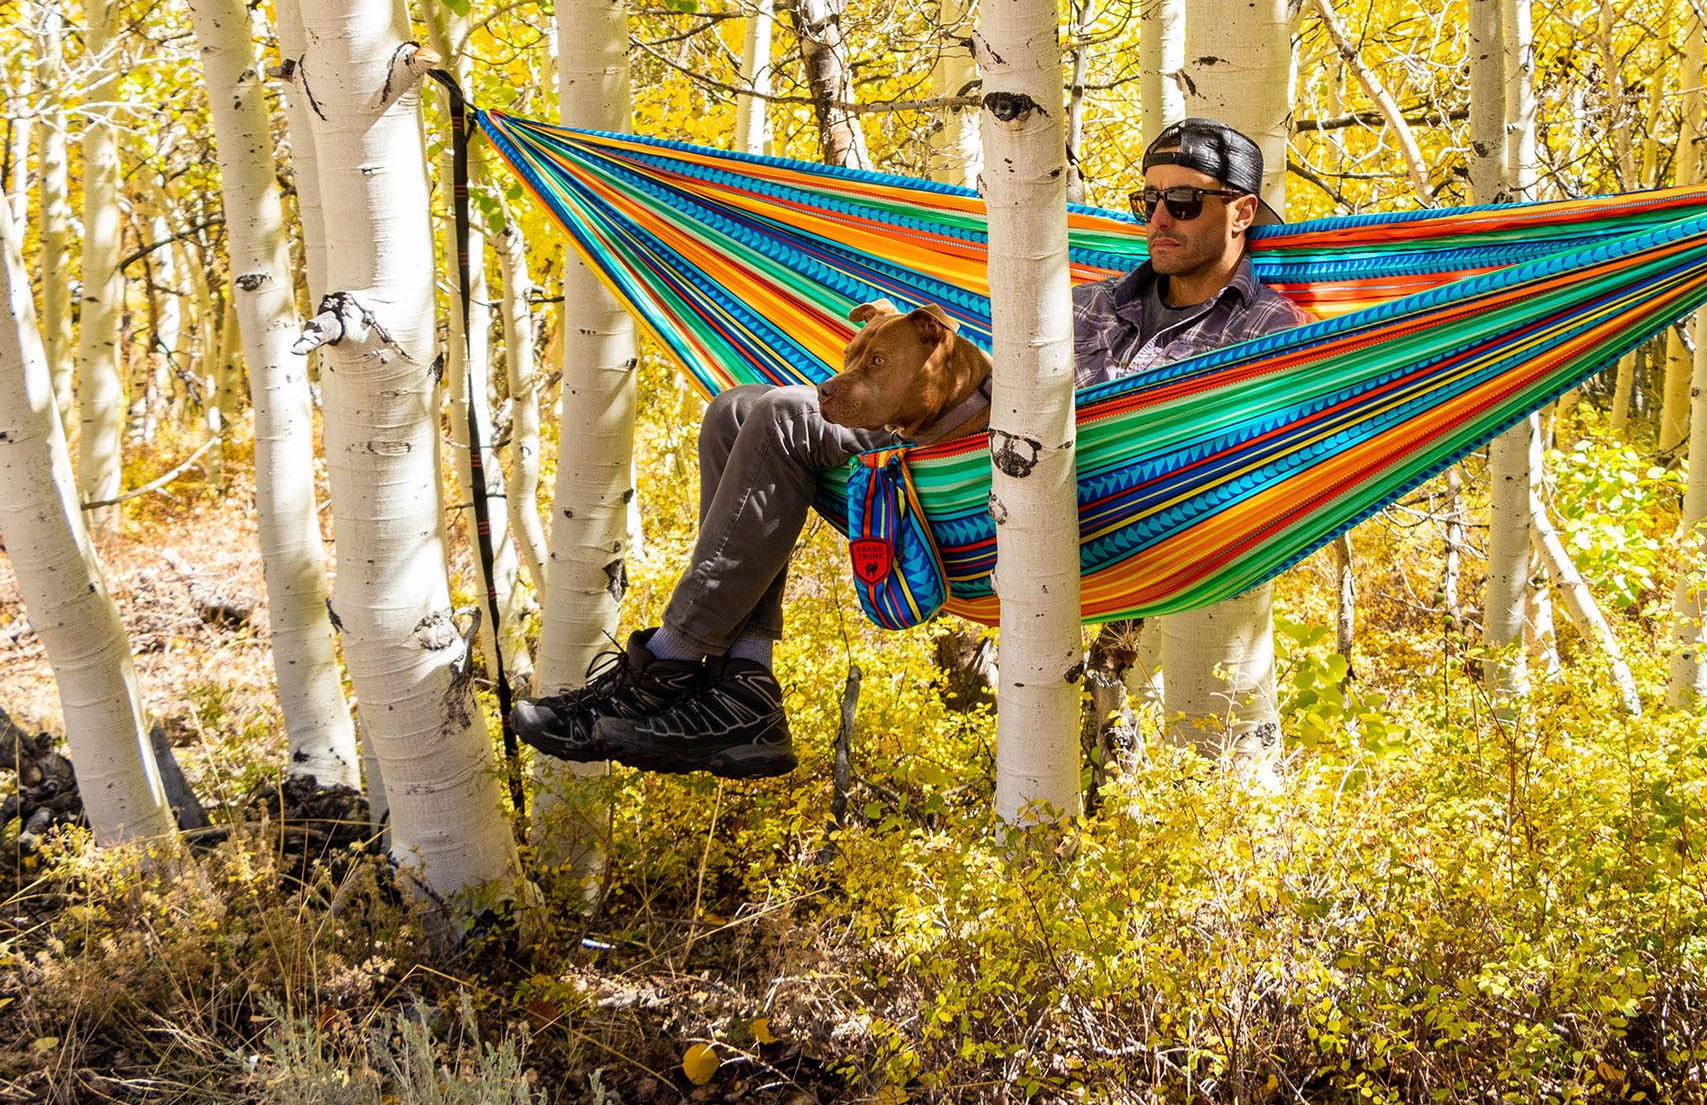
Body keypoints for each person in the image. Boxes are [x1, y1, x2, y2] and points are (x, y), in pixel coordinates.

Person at [511, 118, 1305, 779]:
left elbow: (1253, 447)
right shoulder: (1092, 301)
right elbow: (993, 381)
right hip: (976, 472)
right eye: (1148, 199)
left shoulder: (1270, 331)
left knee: (784, 418)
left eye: (1184, 203)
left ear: (1239, 213)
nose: (1158, 219)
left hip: (1109, 512)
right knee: (739, 411)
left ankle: (674, 663)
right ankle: (744, 685)